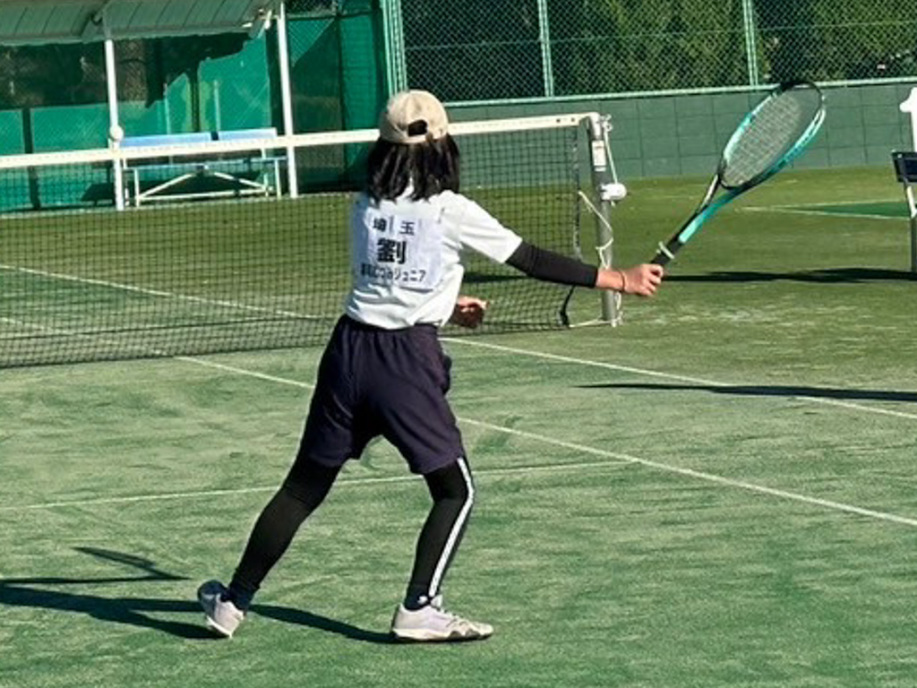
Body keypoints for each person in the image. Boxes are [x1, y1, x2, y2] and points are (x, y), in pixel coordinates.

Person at [198, 90, 664, 642]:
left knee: (303, 489)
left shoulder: (364, 205)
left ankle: (232, 603)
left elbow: (390, 278)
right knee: (455, 490)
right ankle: (419, 607)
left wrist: (447, 304)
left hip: (348, 352)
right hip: (404, 365)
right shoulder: (451, 210)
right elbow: (531, 259)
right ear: (443, 144)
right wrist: (620, 279)